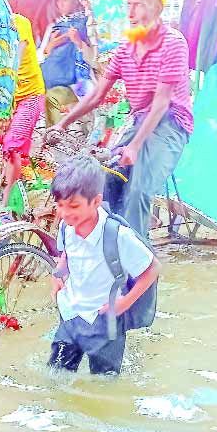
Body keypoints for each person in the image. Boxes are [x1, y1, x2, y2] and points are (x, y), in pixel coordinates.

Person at [50, 0, 193, 242]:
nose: (130, 13)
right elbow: (97, 94)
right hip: (140, 121)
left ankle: (138, 267)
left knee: (139, 190)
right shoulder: (126, 48)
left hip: (170, 122)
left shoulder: (173, 42)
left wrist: (134, 146)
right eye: (129, 5)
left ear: (156, 8)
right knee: (108, 180)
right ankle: (116, 246)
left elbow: (162, 102)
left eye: (138, 5)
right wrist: (63, 123)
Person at [49, 155, 160, 375]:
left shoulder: (118, 235)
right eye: (60, 205)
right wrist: (57, 274)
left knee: (103, 383)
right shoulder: (66, 226)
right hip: (71, 314)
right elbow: (67, 256)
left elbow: (152, 268)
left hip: (105, 321)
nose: (65, 213)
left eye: (73, 206)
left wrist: (124, 303)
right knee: (54, 376)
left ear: (96, 201)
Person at [2, 13, 46, 209]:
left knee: (12, 146)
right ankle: (8, 190)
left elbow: (15, 62)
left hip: (30, 96)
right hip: (8, 98)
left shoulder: (19, 22)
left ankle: (4, 204)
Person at [38, 0, 97, 126]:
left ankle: (55, 136)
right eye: (58, 1)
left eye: (65, 0)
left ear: (76, 1)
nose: (61, 4)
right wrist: (50, 46)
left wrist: (78, 41)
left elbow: (95, 60)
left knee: (53, 100)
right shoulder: (54, 26)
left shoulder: (88, 25)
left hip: (79, 86)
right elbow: (39, 57)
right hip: (51, 83)